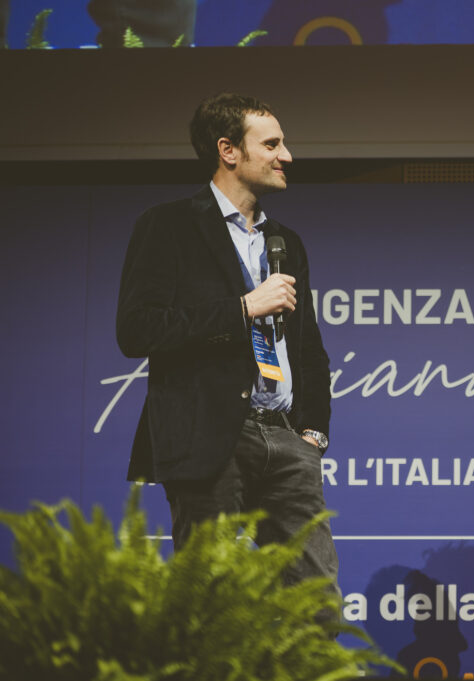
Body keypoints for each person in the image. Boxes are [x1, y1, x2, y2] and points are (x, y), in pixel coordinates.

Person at [116, 93, 337, 597]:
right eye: (272, 144)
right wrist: (243, 308)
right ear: (228, 151)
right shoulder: (168, 226)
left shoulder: (286, 242)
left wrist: (313, 434)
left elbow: (308, 346)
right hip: (210, 438)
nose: (287, 156)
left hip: (286, 438)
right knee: (208, 601)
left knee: (316, 603)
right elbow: (137, 329)